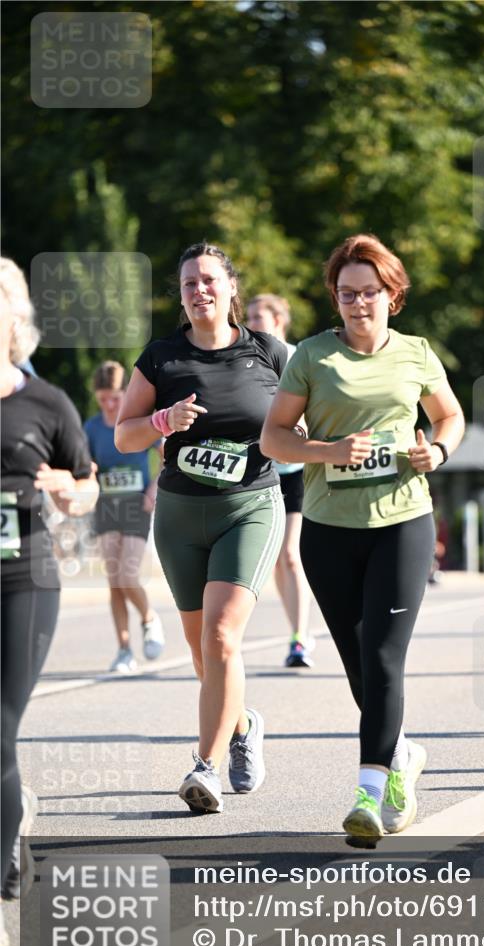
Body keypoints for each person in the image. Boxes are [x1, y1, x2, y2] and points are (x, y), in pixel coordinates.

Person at [261, 233, 465, 845]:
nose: (357, 304)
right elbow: (273, 438)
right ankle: (401, 753)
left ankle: (370, 794)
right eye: (347, 294)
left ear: (391, 295)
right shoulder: (312, 358)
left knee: (381, 657)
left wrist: (439, 449)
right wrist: (325, 450)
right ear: (335, 298)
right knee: (357, 665)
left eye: (369, 293)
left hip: (402, 521)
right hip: (329, 529)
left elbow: (450, 415)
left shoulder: (416, 355)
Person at [115, 243, 288, 813]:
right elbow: (125, 435)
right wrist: (162, 421)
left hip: (249, 508)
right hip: (181, 514)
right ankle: (243, 725)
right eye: (189, 283)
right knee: (201, 653)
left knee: (220, 638)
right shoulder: (161, 357)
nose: (199, 291)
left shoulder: (268, 352)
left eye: (209, 280)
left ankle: (205, 767)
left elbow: (310, 411)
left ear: (231, 288)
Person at [0, 257, 99, 905]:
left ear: (14, 320)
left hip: (24, 583)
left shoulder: (46, 401)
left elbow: (87, 487)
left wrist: (69, 488)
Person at [246, 294, 314, 668]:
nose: (253, 322)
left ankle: (301, 639)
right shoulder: (242, 357)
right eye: (250, 316)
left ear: (279, 321)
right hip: (261, 467)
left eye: (260, 317)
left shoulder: (293, 355)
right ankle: (296, 630)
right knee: (276, 560)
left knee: (290, 554)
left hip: (296, 469)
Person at [85, 361, 165, 673]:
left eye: (115, 398)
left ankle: (149, 618)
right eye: (103, 398)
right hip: (106, 506)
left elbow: (167, 454)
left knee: (127, 576)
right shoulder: (91, 428)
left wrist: (154, 488)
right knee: (114, 582)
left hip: (136, 503)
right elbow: (84, 465)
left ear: (124, 394)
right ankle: (123, 650)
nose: (109, 405)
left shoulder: (136, 421)